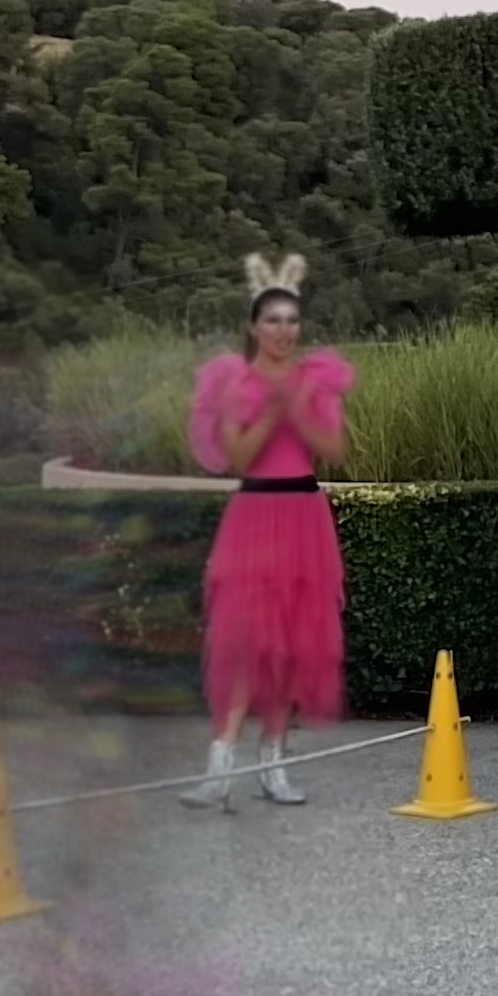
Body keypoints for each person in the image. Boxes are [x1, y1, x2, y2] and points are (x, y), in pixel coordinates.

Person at [181, 252, 352, 809]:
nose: (284, 330)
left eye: (292, 320)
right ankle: (220, 764)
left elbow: (334, 451)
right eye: (273, 320)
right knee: (243, 639)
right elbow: (238, 457)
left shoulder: (317, 381)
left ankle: (273, 764)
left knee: (292, 645)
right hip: (254, 518)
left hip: (303, 517)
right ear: (254, 326)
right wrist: (273, 412)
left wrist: (300, 411)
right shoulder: (235, 383)